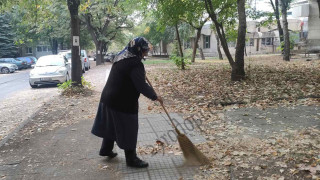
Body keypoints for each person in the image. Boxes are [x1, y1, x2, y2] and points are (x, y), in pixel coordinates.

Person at [91, 37, 162, 168]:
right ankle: (131, 159)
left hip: (108, 98)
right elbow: (141, 86)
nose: (146, 53)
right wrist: (155, 96)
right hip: (122, 102)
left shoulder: (121, 58)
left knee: (111, 124)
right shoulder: (135, 64)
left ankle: (105, 149)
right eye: (145, 50)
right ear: (138, 50)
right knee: (129, 128)